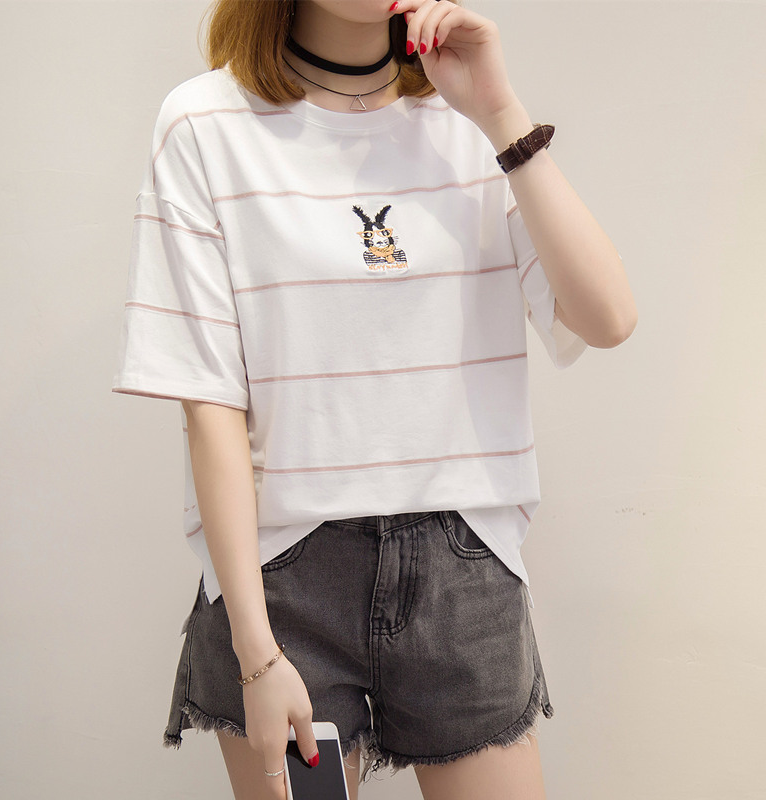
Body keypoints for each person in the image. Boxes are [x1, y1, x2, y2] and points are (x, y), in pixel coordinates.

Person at [112, 1, 637, 798]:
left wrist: (500, 111)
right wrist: (255, 652)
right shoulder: (205, 124)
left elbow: (608, 319)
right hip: (281, 580)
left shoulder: (469, 122)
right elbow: (209, 407)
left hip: (463, 567)